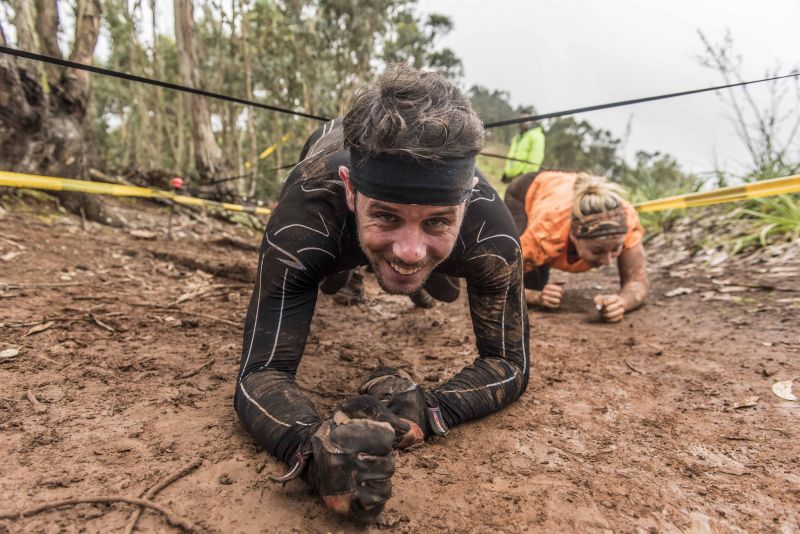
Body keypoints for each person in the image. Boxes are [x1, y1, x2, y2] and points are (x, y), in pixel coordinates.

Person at [235, 65, 529, 522]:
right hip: (330, 221)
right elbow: (260, 372)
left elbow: (510, 363)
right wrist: (311, 446)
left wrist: (434, 408)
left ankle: (417, 264)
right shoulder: (305, 217)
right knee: (327, 276)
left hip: (384, 233)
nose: (410, 250)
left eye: (437, 220)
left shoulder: (492, 235)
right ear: (351, 190)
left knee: (430, 275)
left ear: (468, 199)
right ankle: (343, 271)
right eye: (387, 216)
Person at [504, 170, 648, 322]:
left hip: (563, 190)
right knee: (530, 282)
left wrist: (622, 302)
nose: (607, 261)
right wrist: (535, 296)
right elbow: (490, 279)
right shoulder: (546, 234)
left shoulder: (626, 224)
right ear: (573, 236)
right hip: (527, 190)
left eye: (615, 249)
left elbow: (638, 282)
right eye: (597, 250)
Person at [500, 113, 545, 183]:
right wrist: (506, 173)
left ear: (532, 121)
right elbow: (511, 156)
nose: (522, 122)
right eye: (521, 120)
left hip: (523, 180)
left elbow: (535, 160)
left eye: (526, 119)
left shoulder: (537, 136)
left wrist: (524, 177)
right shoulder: (517, 138)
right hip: (511, 179)